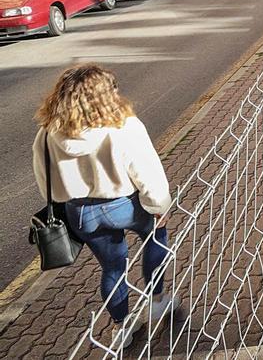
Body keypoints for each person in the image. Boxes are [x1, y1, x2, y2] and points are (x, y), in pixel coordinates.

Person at [32, 65, 173, 349]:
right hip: (125, 204)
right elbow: (145, 170)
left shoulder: (48, 134)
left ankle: (122, 327)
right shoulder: (123, 125)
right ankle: (157, 300)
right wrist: (159, 205)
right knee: (157, 235)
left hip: (82, 212)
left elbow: (44, 179)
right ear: (104, 96)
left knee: (112, 268)